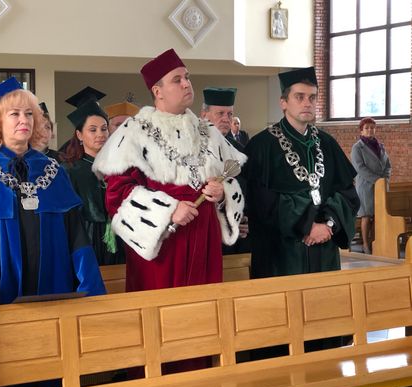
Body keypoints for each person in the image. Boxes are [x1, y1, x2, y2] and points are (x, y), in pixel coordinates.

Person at [0, 77, 105, 307]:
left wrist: (92, 294)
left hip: (56, 299)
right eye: (14, 113)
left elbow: (77, 239)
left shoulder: (54, 172)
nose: (24, 120)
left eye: (29, 113)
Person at [93, 48, 246, 293]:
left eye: (187, 77)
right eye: (177, 80)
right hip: (163, 247)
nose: (186, 84)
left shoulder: (209, 132)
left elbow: (229, 179)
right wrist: (168, 211)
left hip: (204, 241)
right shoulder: (134, 133)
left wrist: (222, 194)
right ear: (158, 91)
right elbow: (117, 195)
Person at [244, 66, 360, 279]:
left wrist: (328, 224)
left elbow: (348, 194)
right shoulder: (261, 146)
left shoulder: (327, 143)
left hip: (324, 248)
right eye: (299, 97)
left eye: (312, 97)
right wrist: (307, 226)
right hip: (281, 255)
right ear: (283, 102)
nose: (307, 103)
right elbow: (262, 202)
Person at [62, 87, 125, 265]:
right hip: (86, 239)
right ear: (79, 135)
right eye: (92, 130)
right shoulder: (69, 170)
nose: (100, 135)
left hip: (121, 237)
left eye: (104, 129)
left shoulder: (119, 167)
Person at [200, 87, 250, 253]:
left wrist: (243, 218)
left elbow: (247, 189)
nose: (226, 119)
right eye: (220, 113)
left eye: (229, 114)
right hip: (201, 227)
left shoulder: (240, 151)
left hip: (231, 234)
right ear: (204, 114)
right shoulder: (192, 145)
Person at [350, 117, 391, 254]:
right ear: (361, 131)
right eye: (366, 128)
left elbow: (388, 165)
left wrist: (385, 179)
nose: (370, 130)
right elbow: (359, 168)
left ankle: (375, 242)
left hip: (381, 186)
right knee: (366, 216)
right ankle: (366, 245)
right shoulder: (357, 147)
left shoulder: (380, 146)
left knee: (378, 216)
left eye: (372, 128)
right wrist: (377, 180)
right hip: (365, 186)